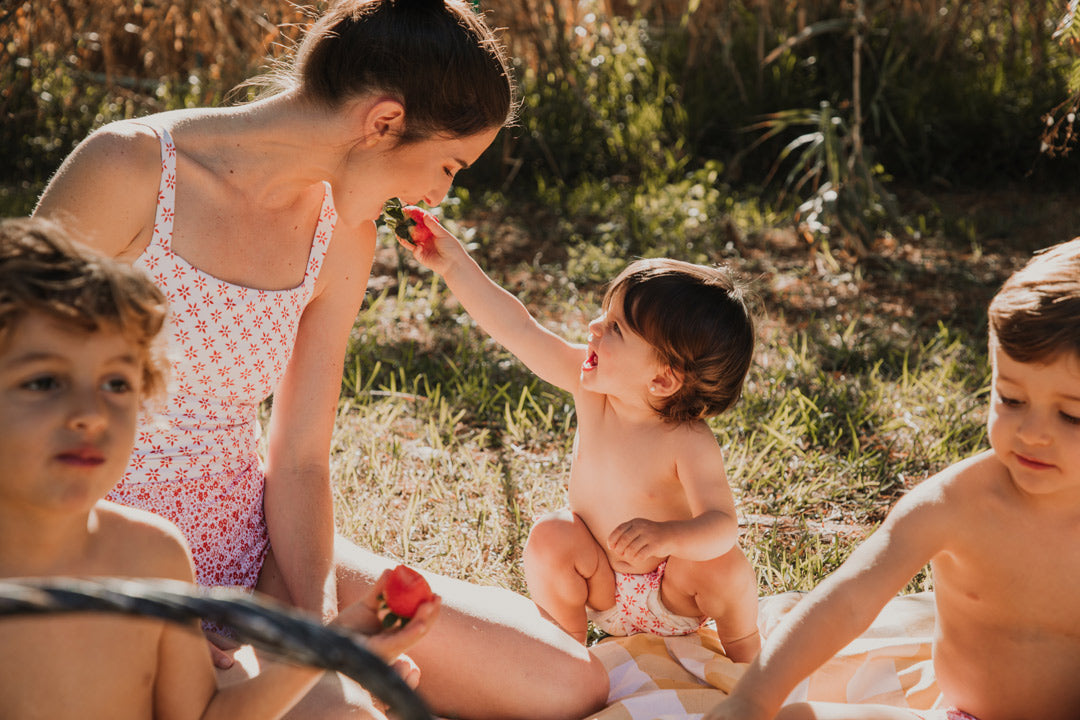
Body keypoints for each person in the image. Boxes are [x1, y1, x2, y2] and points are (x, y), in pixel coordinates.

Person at [31, 0, 608, 717]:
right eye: (450, 165)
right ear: (384, 122)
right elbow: (12, 379)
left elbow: (301, 456)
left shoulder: (343, 233)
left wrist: (319, 624)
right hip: (101, 555)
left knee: (567, 681)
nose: (439, 194)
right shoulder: (129, 168)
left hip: (248, 546)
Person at [0, 217, 441, 720]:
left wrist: (338, 645)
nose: (89, 412)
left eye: (116, 384)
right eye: (42, 383)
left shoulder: (153, 554)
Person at [705, 237, 1080, 720]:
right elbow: (849, 599)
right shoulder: (957, 504)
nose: (1033, 433)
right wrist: (752, 698)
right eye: (1011, 399)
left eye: (1072, 416)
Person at [399, 209, 762, 662]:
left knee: (724, 567)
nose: (593, 327)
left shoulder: (687, 440)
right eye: (602, 315)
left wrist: (670, 537)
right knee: (551, 535)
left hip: (673, 594)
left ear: (663, 380)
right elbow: (518, 329)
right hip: (601, 585)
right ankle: (567, 658)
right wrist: (453, 263)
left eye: (615, 329)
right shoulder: (592, 391)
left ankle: (750, 663)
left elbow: (722, 526)